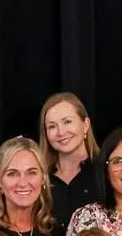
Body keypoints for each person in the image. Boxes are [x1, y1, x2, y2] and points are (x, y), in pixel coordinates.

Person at [40, 92, 100, 223]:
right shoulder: (39, 178)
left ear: (85, 125)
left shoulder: (105, 171)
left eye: (67, 122)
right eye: (52, 126)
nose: (61, 132)